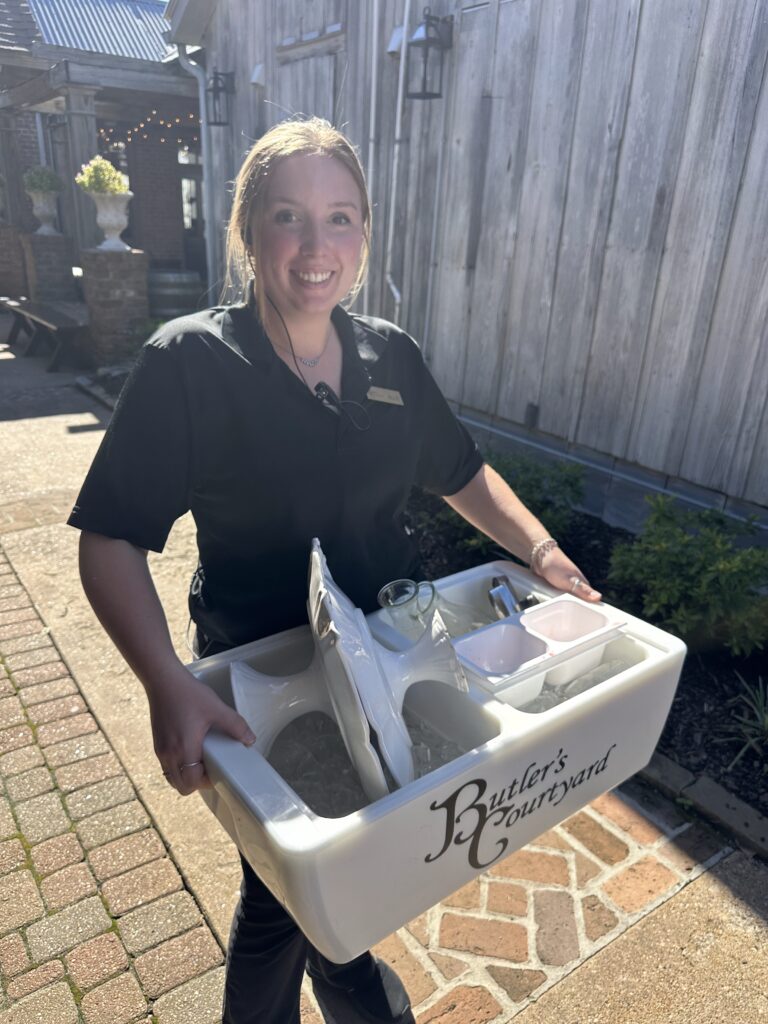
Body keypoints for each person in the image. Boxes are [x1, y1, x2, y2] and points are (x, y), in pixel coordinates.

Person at [69, 117, 601, 1024]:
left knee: (362, 838)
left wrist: (543, 553)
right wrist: (165, 684)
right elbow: (110, 539)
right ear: (247, 231)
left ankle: (343, 958)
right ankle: (334, 980)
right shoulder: (191, 363)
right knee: (281, 886)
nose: (317, 248)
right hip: (263, 681)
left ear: (364, 231)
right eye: (288, 217)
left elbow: (461, 473)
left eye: (341, 218)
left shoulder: (390, 355)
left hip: (386, 657)